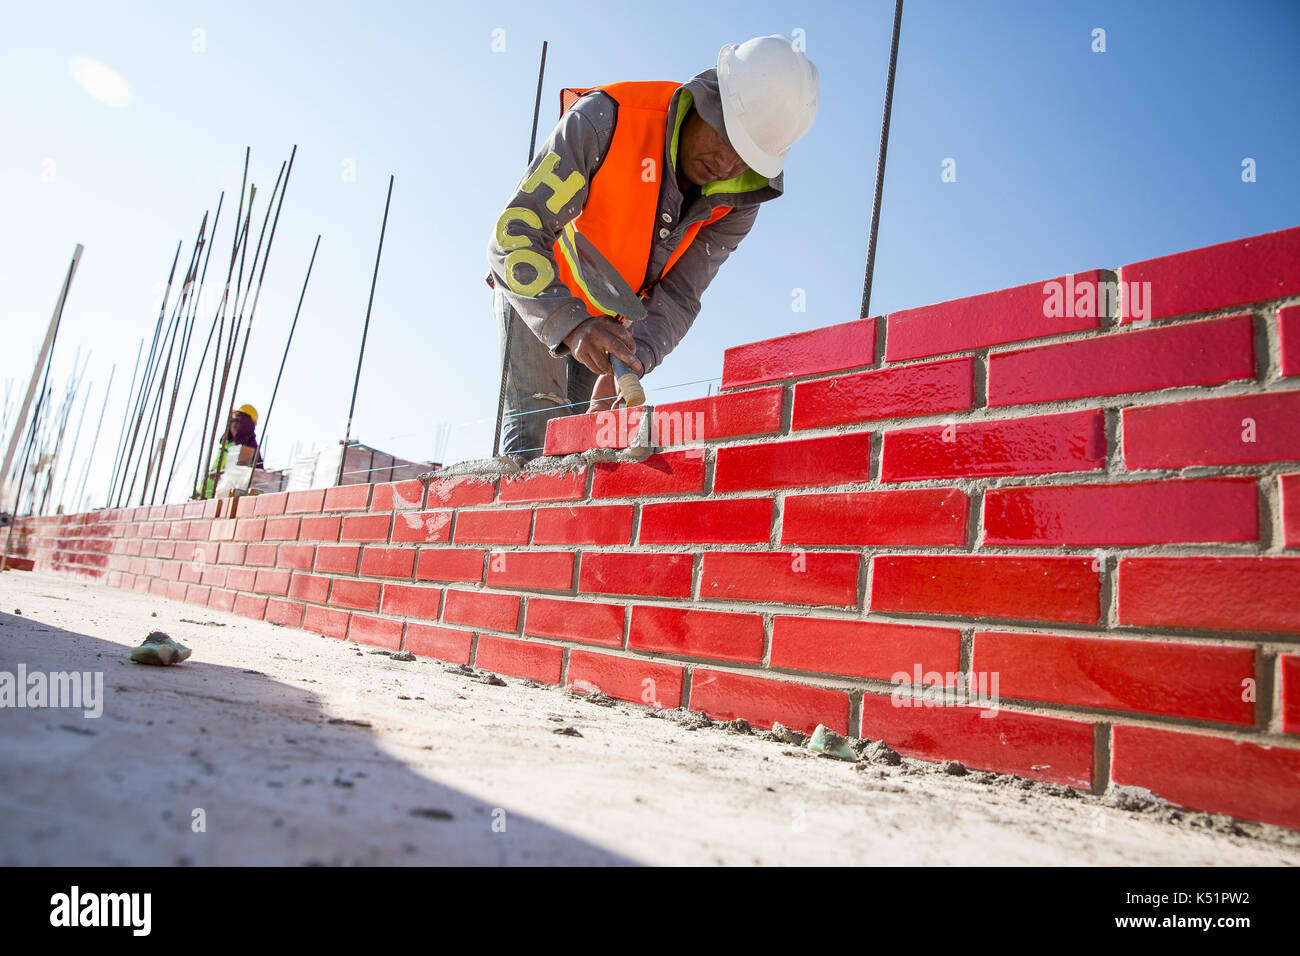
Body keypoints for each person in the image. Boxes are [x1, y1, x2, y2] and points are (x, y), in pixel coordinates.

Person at [486, 34, 819, 459]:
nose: (728, 165)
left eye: (747, 158)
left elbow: (679, 296)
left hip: (605, 323)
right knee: (534, 442)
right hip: (540, 287)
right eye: (726, 137)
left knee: (574, 452)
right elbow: (513, 235)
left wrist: (634, 357)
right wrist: (571, 324)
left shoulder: (735, 203)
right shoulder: (607, 119)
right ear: (706, 100)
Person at [202, 403, 263, 497]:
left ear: (247, 425)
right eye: (233, 420)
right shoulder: (226, 444)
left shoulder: (250, 448)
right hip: (207, 494)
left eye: (238, 421)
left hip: (225, 497)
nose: (234, 424)